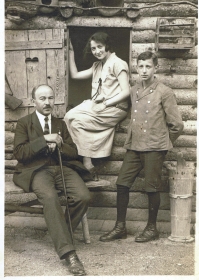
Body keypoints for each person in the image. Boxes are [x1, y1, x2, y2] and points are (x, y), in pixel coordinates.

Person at [99, 51, 184, 243]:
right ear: (136, 68)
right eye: (141, 66)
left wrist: (162, 142)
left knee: (151, 188)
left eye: (148, 66)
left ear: (156, 68)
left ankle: (152, 228)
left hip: (154, 148)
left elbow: (177, 125)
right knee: (122, 184)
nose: (144, 70)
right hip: (135, 147)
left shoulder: (165, 92)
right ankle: (120, 227)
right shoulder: (134, 89)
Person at [13, 84, 91, 276]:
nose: (47, 103)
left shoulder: (60, 124)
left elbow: (73, 152)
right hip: (37, 170)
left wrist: (59, 145)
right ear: (34, 101)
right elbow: (20, 153)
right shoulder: (24, 123)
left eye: (50, 98)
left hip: (62, 168)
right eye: (42, 98)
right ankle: (69, 254)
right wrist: (44, 139)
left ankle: (59, 232)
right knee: (50, 198)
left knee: (84, 196)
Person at [64, 32, 130, 180]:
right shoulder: (97, 66)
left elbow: (126, 91)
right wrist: (70, 51)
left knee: (78, 121)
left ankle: (87, 162)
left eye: (99, 47)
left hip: (115, 108)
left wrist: (106, 101)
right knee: (68, 117)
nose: (97, 51)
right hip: (99, 106)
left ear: (107, 45)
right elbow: (74, 75)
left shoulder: (118, 63)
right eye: (93, 49)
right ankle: (84, 158)